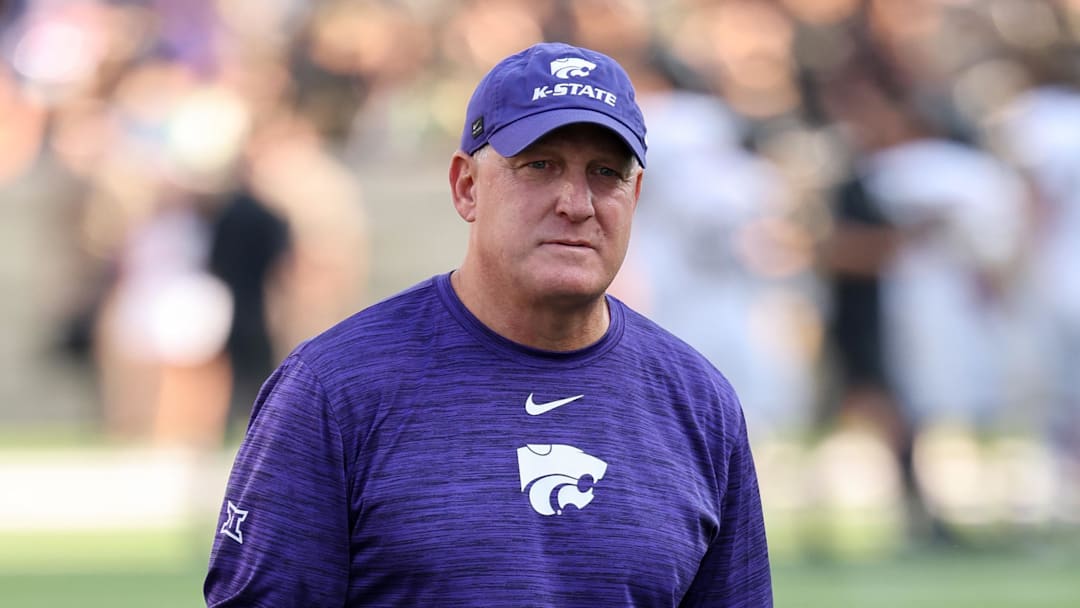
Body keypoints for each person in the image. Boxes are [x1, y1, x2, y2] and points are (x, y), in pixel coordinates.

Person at [204, 41, 772, 607]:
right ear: (466, 186)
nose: (577, 203)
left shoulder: (698, 403)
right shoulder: (335, 388)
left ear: (636, 195)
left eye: (606, 173)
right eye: (539, 166)